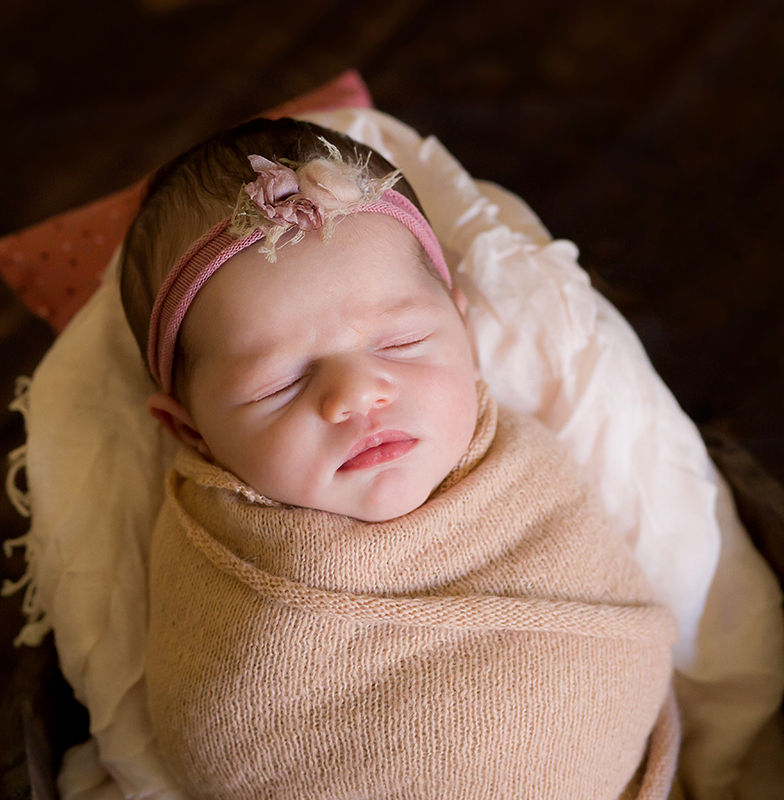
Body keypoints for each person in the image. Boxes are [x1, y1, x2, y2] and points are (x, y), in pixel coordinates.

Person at [119, 117, 680, 799]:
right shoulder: (219, 569)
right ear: (191, 433)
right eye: (279, 381)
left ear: (464, 331)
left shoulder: (525, 475)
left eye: (401, 341)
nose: (355, 395)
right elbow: (219, 727)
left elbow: (617, 637)